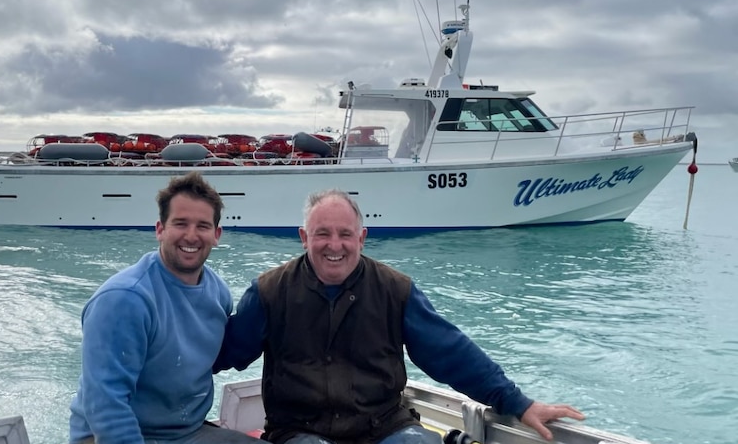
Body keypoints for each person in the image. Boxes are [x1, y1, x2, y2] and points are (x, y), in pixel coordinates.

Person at [215, 189, 585, 444]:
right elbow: (226, 352)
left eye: (345, 234)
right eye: (321, 233)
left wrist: (518, 403)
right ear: (303, 237)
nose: (334, 245)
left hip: (384, 425)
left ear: (362, 238)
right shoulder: (268, 292)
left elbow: (451, 354)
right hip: (299, 429)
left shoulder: (395, 290)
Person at [69, 172, 256, 444]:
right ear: (160, 229)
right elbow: (106, 406)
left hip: (186, 432)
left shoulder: (219, 293)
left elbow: (205, 360)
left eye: (202, 226)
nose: (191, 236)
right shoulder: (124, 300)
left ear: (216, 235)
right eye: (180, 223)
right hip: (107, 435)